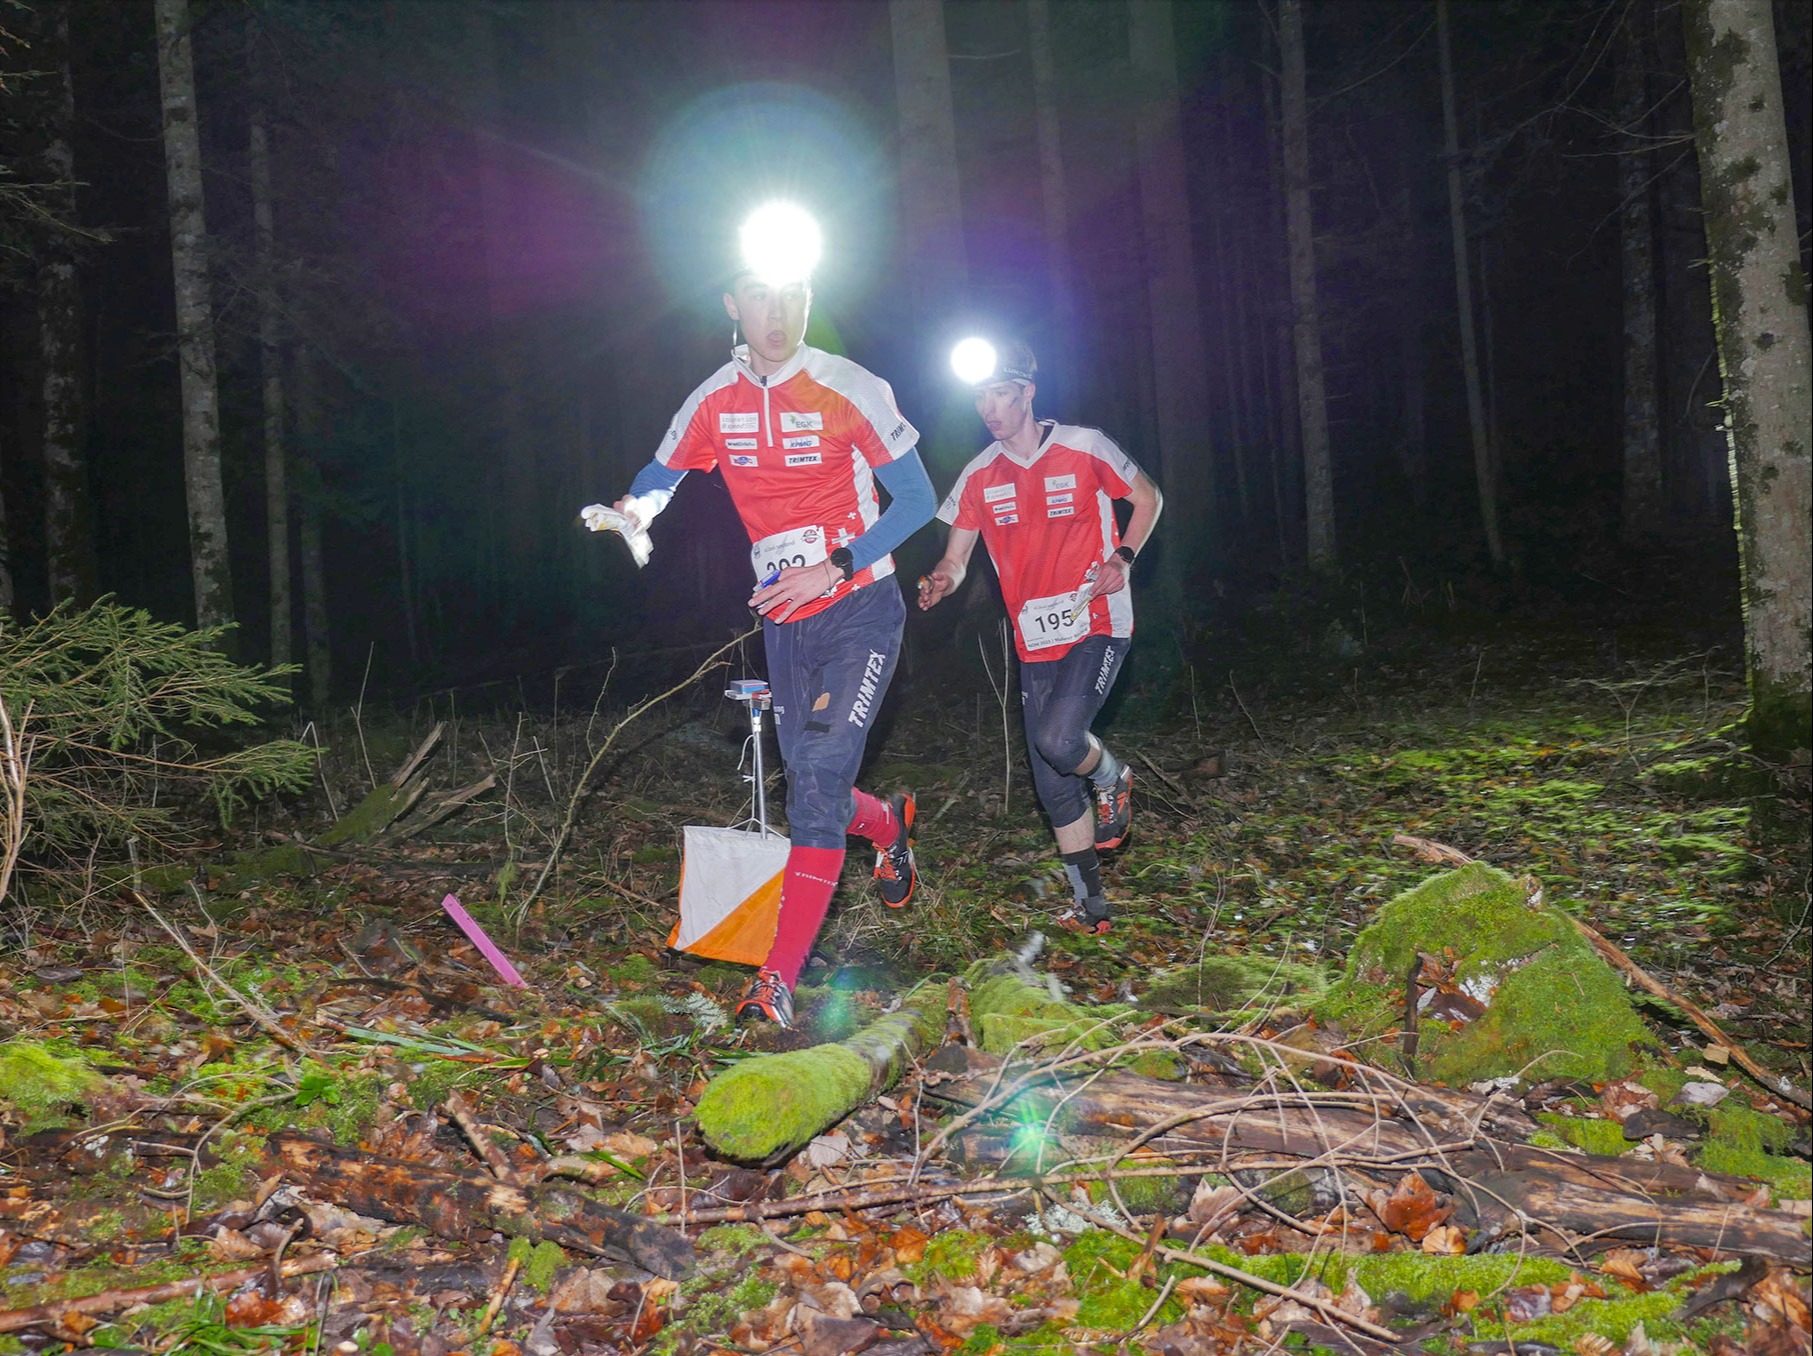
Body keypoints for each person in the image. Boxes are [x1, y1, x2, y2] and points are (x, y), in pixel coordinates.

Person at [593, 239, 935, 1027]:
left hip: (860, 609)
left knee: (811, 795)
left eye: (792, 295)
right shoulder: (713, 397)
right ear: (731, 304)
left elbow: (916, 499)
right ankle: (887, 824)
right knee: (813, 783)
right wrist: (635, 511)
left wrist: (838, 564)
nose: (776, 314)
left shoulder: (849, 386)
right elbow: (664, 470)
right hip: (782, 621)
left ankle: (774, 980)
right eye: (759, 295)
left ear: (809, 299)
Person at [919, 341, 1162, 934]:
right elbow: (955, 557)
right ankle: (1092, 909)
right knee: (1052, 780)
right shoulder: (979, 474)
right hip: (1034, 641)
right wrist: (940, 581)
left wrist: (1124, 557)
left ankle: (1114, 778)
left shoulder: (1085, 445)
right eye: (980, 397)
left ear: (1027, 393)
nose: (990, 408)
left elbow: (1148, 498)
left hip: (1096, 620)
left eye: (1000, 394)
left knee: (1060, 737)